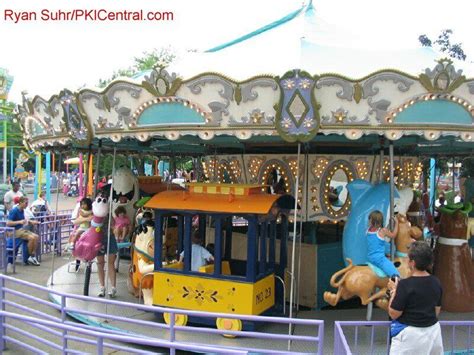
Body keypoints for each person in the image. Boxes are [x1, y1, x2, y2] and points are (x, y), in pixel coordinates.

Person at [388, 241, 443, 354]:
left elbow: (393, 313)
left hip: (410, 336)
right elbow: (436, 311)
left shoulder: (405, 285)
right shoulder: (436, 282)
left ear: (412, 263)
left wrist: (394, 291)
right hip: (433, 333)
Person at [6, 197, 41, 266]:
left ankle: (32, 256)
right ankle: (30, 257)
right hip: (14, 231)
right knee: (32, 238)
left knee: (36, 237)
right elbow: (8, 223)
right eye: (26, 203)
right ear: (21, 203)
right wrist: (19, 222)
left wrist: (32, 222)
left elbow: (24, 220)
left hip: (21, 230)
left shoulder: (22, 210)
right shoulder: (14, 211)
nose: (27, 205)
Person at [367, 210, 400, 278]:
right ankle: (396, 280)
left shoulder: (368, 230)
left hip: (370, 257)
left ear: (373, 221)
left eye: (370, 220)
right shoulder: (382, 231)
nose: (369, 221)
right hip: (379, 259)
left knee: (388, 250)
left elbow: (378, 243)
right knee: (395, 274)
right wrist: (397, 223)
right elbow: (393, 235)